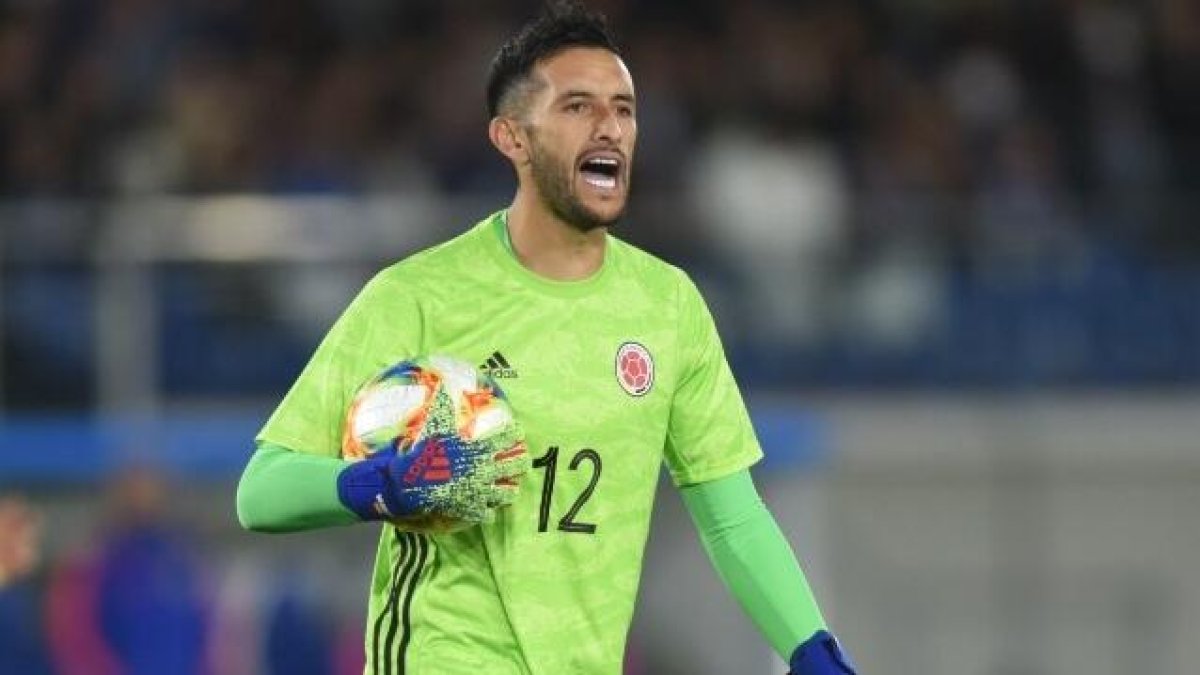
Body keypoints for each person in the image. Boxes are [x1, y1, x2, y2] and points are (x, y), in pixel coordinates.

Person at [236, 2, 856, 673]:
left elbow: (732, 516)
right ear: (513, 138)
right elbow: (261, 490)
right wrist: (381, 483)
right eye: (578, 107)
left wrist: (810, 646)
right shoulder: (419, 295)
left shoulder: (667, 306)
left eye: (623, 108)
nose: (610, 127)